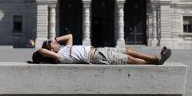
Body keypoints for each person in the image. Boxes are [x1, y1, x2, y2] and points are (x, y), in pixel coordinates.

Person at [34, 33, 171, 65]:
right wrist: (47, 47)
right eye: (51, 43)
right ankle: (156, 61)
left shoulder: (65, 48)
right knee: (128, 59)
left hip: (100, 49)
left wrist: (56, 39)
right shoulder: (60, 57)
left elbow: (70, 35)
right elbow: (41, 51)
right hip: (97, 57)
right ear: (50, 51)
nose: (53, 42)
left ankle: (156, 59)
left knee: (128, 50)